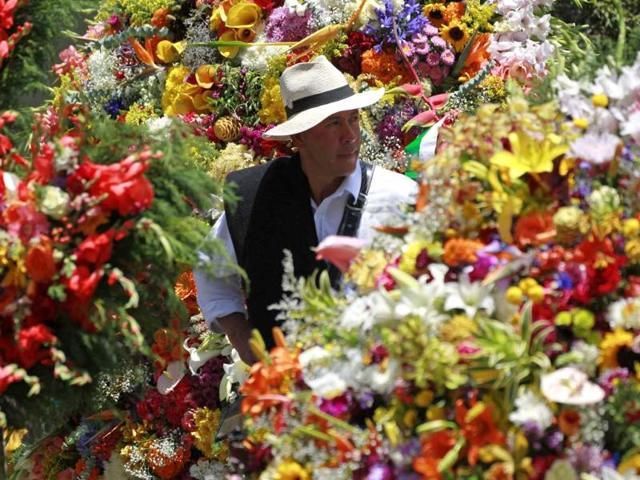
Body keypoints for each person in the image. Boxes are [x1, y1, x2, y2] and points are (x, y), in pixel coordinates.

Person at [194, 55, 417, 363]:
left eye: (353, 119)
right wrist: (246, 344)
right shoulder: (254, 195)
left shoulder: (398, 196)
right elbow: (209, 266)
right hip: (291, 392)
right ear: (298, 137)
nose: (350, 136)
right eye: (333, 123)